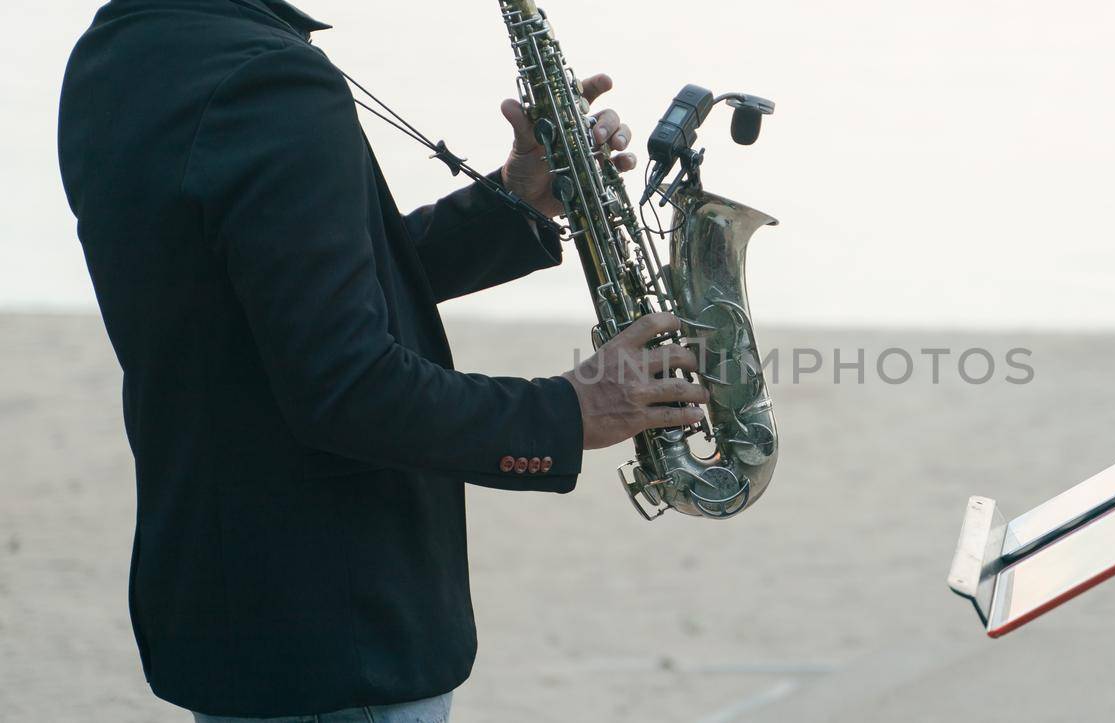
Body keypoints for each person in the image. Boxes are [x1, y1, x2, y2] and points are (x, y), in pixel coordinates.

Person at [56, 0, 707, 719]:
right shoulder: (271, 81)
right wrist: (567, 410)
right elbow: (347, 386)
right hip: (340, 637)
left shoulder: (117, 51)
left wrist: (513, 201)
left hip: (230, 604)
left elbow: (282, 284)